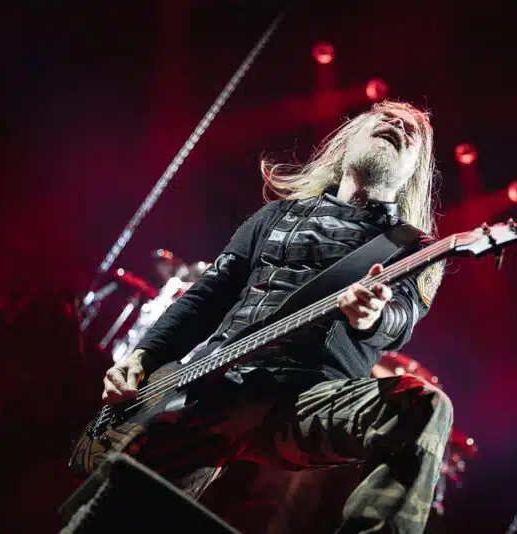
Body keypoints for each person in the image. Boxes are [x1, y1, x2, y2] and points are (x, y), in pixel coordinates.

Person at [100, 100, 452, 534]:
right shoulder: (275, 216)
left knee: (423, 406)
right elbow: (206, 297)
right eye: (385, 117)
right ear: (350, 138)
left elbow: (402, 317)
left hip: (301, 401)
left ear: (415, 170)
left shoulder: (416, 250)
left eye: (412, 131)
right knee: (117, 514)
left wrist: (372, 316)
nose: (397, 123)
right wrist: (144, 355)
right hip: (212, 385)